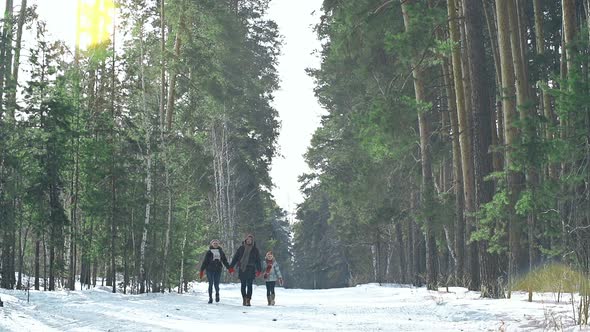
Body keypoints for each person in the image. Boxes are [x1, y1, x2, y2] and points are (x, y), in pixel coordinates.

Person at [229, 234, 262, 306]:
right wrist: (231, 267)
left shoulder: (255, 250)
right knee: (243, 285)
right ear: (245, 240)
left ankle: (248, 300)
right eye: (248, 239)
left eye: (250, 240)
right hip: (242, 268)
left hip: (251, 269)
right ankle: (244, 298)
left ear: (252, 241)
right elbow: (235, 258)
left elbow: (258, 260)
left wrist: (259, 270)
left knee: (249, 285)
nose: (249, 241)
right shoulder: (241, 248)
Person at [199, 239, 230, 304]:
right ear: (211, 244)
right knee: (210, 284)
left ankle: (217, 294)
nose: (215, 244)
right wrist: (202, 270)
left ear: (218, 244)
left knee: (216, 284)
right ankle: (210, 298)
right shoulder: (209, 252)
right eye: (214, 243)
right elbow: (205, 262)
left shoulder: (221, 252)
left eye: (216, 243)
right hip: (209, 270)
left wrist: (229, 268)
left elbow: (224, 261)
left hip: (218, 270)